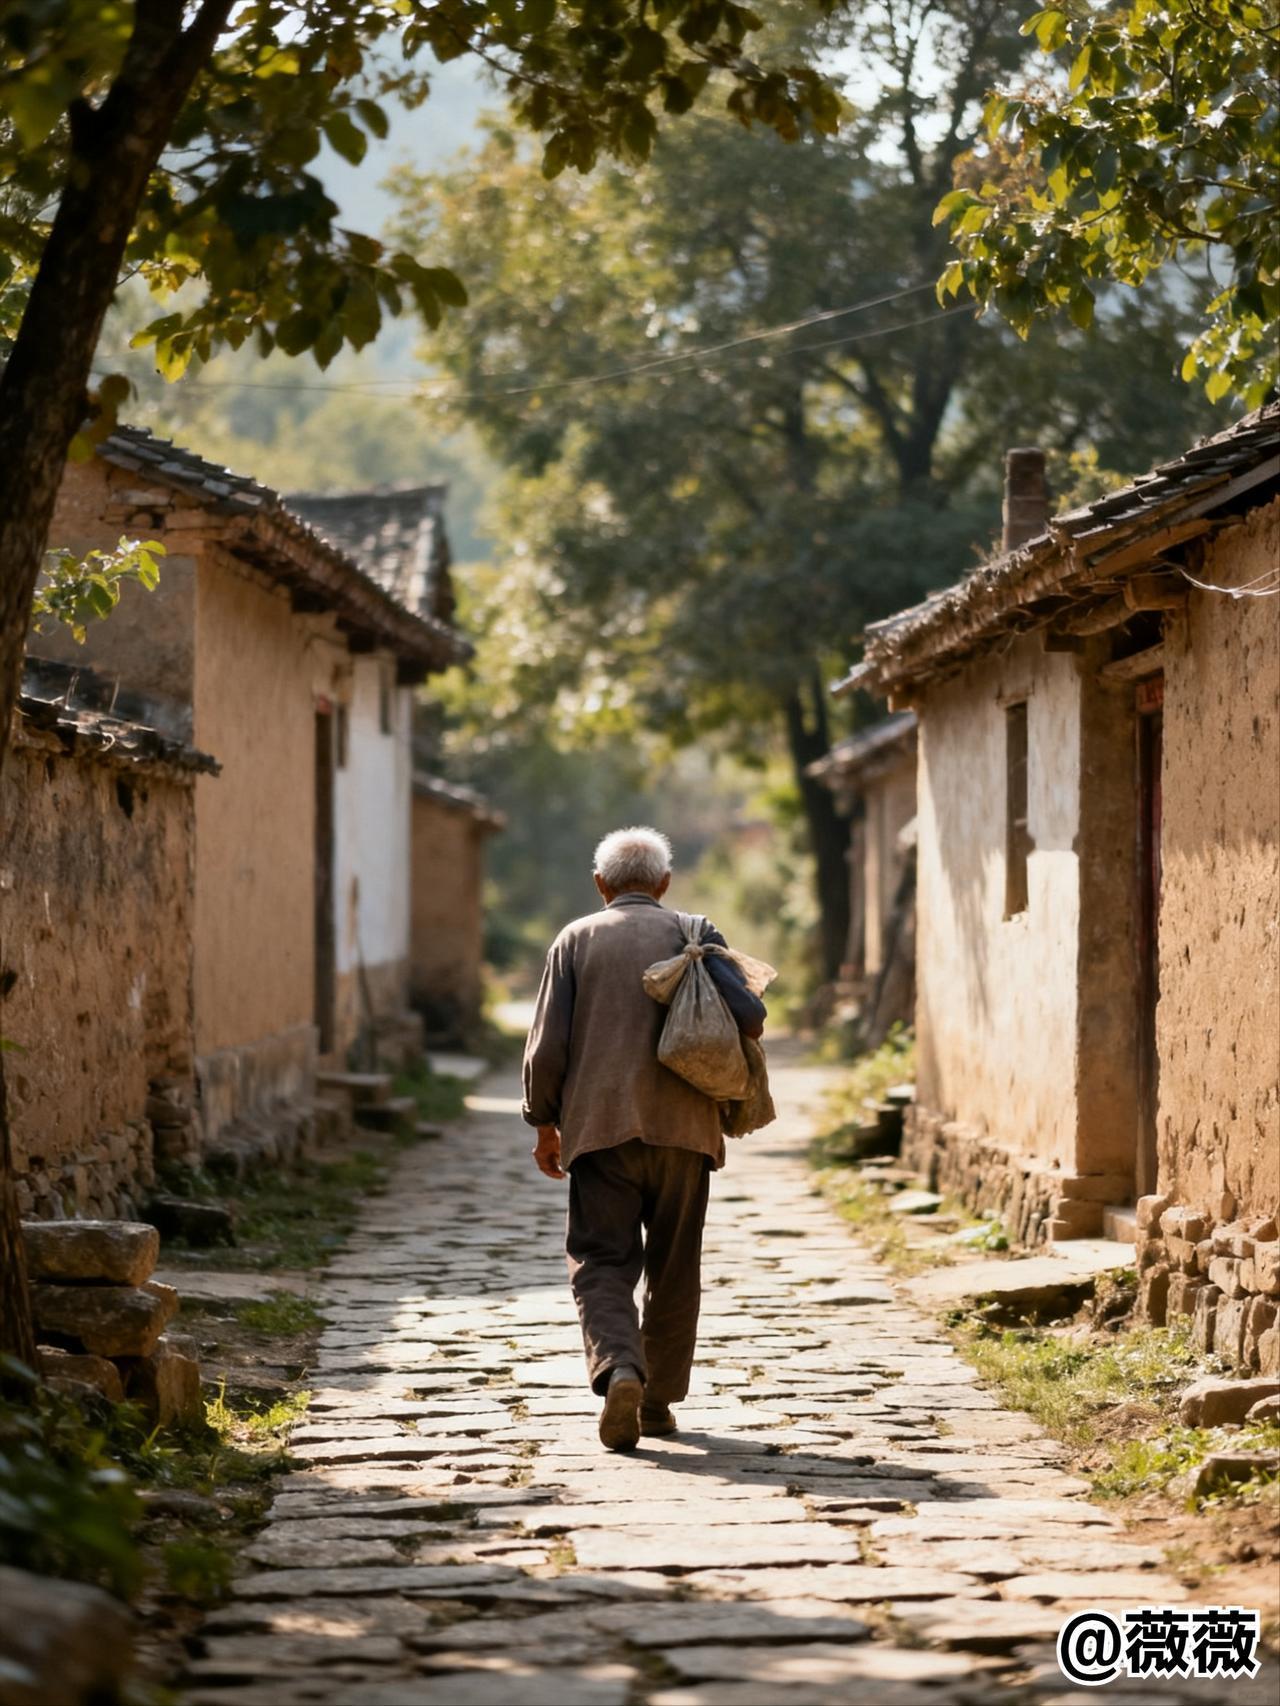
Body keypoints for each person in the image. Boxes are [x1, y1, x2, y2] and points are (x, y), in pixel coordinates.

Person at [522, 825, 767, 1451]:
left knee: (601, 1259)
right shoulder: (695, 933)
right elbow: (752, 1018)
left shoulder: (575, 939)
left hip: (601, 1131)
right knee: (675, 1266)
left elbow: (547, 1048)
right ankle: (656, 1404)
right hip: (686, 1132)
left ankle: (620, 1369)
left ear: (600, 884)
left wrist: (544, 1123)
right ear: (663, 883)